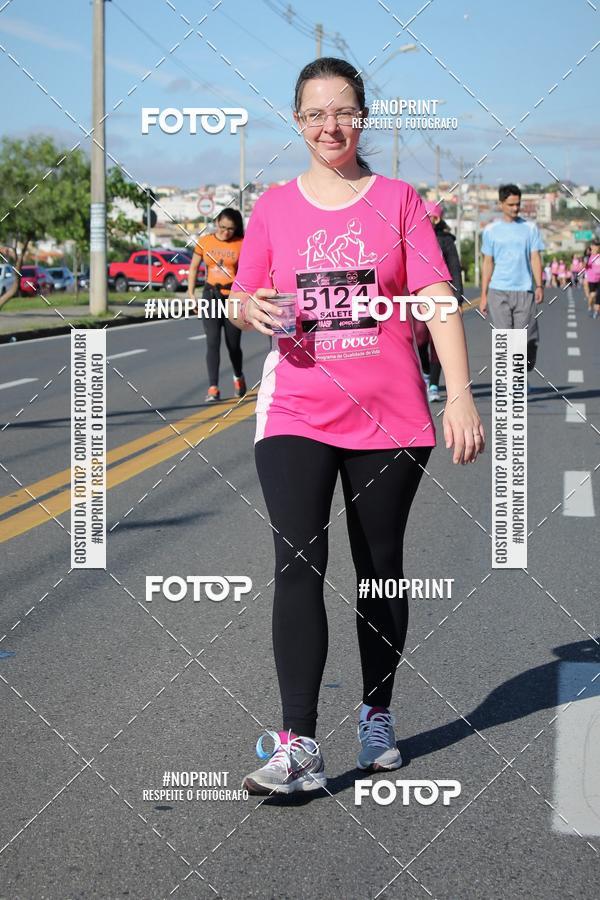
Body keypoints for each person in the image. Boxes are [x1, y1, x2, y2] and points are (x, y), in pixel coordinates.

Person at [227, 57, 485, 796]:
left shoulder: (399, 201)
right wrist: (250, 307)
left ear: (362, 117)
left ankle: (376, 714)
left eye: (342, 112)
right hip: (296, 410)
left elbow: (436, 298)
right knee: (297, 562)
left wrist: (460, 395)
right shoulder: (274, 207)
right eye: (314, 114)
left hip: (389, 416)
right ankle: (298, 746)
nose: (329, 126)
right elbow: (242, 296)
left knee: (379, 567)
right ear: (298, 122)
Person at [480, 184, 544, 386]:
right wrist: (483, 294)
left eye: (518, 204)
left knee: (525, 340)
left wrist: (539, 285)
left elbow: (535, 257)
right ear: (501, 204)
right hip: (498, 291)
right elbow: (487, 262)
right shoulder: (491, 230)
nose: (516, 208)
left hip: (524, 290)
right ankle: (513, 382)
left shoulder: (530, 228)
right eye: (511, 204)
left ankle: (523, 367)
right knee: (505, 339)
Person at [187, 208, 246, 402]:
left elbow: (248, 272)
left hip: (233, 298)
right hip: (210, 295)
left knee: (233, 345)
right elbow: (193, 268)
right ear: (216, 223)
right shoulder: (205, 241)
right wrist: (191, 294)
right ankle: (213, 387)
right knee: (212, 342)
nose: (225, 232)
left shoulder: (241, 243)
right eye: (222, 227)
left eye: (230, 229)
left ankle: (238, 376)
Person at [413, 201, 464, 402]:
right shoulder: (413, 238)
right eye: (426, 216)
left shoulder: (446, 241)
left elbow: (455, 269)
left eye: (432, 217)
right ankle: (426, 372)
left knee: (438, 342)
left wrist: (457, 300)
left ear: (438, 219)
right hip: (418, 297)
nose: (429, 220)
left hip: (443, 297)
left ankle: (433, 385)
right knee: (420, 338)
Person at [585, 240, 600, 318]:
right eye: (595, 245)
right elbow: (584, 266)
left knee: (598, 295)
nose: (596, 247)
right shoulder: (589, 256)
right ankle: (590, 306)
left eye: (597, 245)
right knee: (593, 295)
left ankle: (596, 311)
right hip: (592, 279)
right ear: (591, 246)